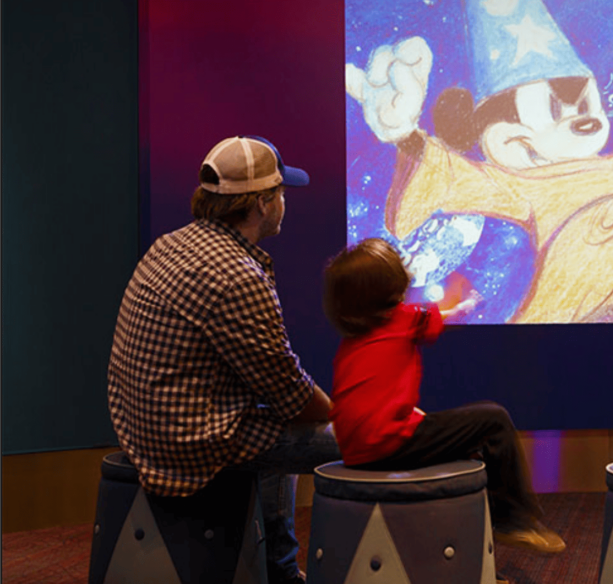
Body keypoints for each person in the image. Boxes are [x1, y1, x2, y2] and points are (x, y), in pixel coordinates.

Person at [107, 135, 340, 584]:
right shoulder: (236, 273)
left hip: (142, 428)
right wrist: (346, 416)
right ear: (261, 205)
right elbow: (289, 392)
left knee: (271, 426)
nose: (285, 202)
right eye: (281, 194)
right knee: (362, 441)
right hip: (186, 447)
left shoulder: (171, 244)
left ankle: (280, 568)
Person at [321, 237, 566, 558]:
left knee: (470, 450)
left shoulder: (350, 343)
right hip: (389, 444)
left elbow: (370, 402)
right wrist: (469, 304)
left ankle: (472, 559)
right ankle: (513, 520)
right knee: (492, 419)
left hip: (356, 450)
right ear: (392, 289)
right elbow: (445, 317)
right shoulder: (403, 319)